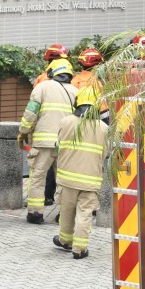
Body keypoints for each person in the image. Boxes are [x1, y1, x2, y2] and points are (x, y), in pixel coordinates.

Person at [19, 58, 78, 224]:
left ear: (52, 72)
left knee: (38, 177)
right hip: (66, 143)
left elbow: (31, 113)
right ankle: (64, 216)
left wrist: (23, 131)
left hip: (43, 143)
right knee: (65, 181)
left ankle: (35, 214)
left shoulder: (42, 87)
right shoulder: (75, 91)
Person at [53, 86, 108, 259]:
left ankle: (65, 241)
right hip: (90, 180)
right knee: (84, 213)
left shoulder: (66, 122)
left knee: (67, 211)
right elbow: (105, 153)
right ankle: (79, 249)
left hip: (67, 177)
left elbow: (57, 146)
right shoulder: (103, 128)